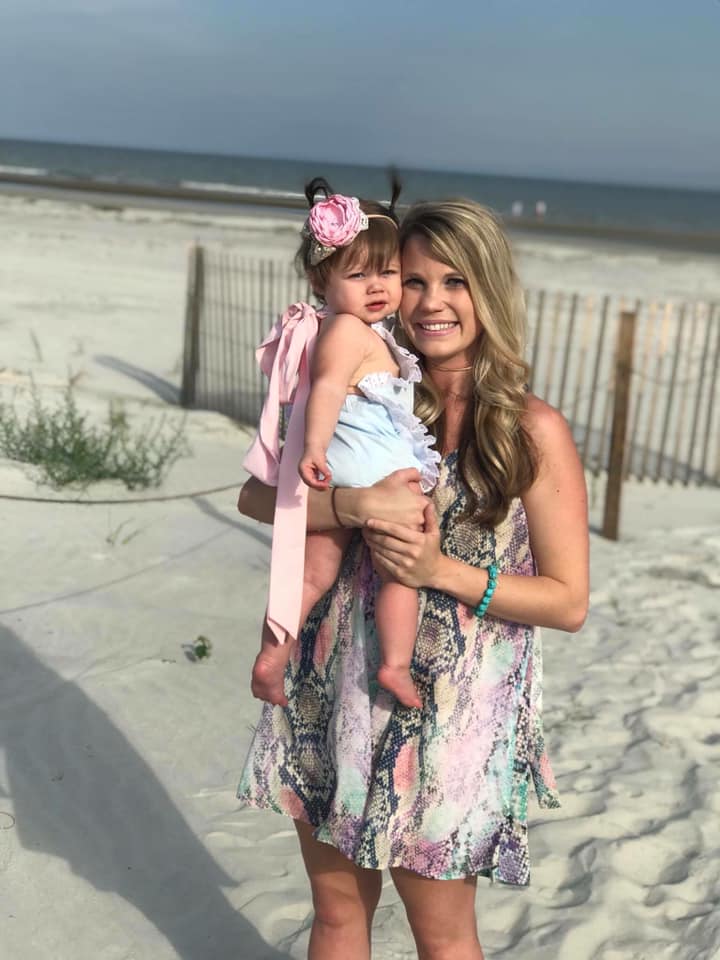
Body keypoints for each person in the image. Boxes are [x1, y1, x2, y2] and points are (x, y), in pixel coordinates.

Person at [237, 198, 589, 960]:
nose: (431, 302)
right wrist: (350, 504)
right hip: (332, 681)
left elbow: (568, 602)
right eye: (414, 280)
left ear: (488, 290)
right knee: (336, 917)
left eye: (455, 282)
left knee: (443, 935)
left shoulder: (530, 429)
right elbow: (256, 496)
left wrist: (440, 571)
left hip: (450, 711)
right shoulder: (371, 387)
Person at [244, 179, 439, 709]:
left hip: (345, 463)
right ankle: (395, 664)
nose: (377, 286)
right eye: (357, 275)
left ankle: (272, 658)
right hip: (372, 465)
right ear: (319, 279)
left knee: (314, 572)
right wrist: (313, 448)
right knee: (401, 566)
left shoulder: (341, 327)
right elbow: (328, 388)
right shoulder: (350, 330)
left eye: (389, 273)